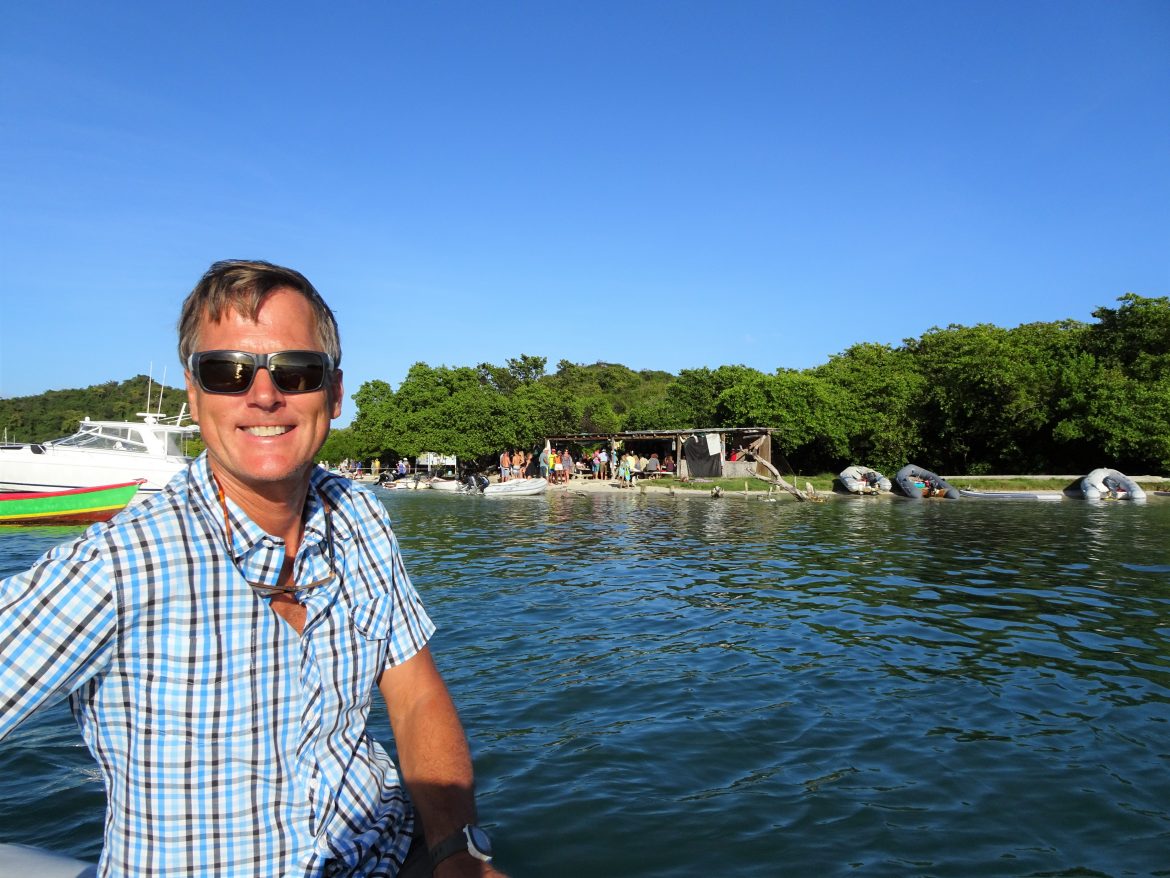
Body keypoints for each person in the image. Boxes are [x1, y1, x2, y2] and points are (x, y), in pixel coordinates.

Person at [0, 260, 507, 878]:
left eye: (295, 371)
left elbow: (416, 693)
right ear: (195, 395)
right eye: (227, 372)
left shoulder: (358, 515)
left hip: (396, 855)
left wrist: (458, 849)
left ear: (335, 392)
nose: (264, 394)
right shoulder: (120, 566)